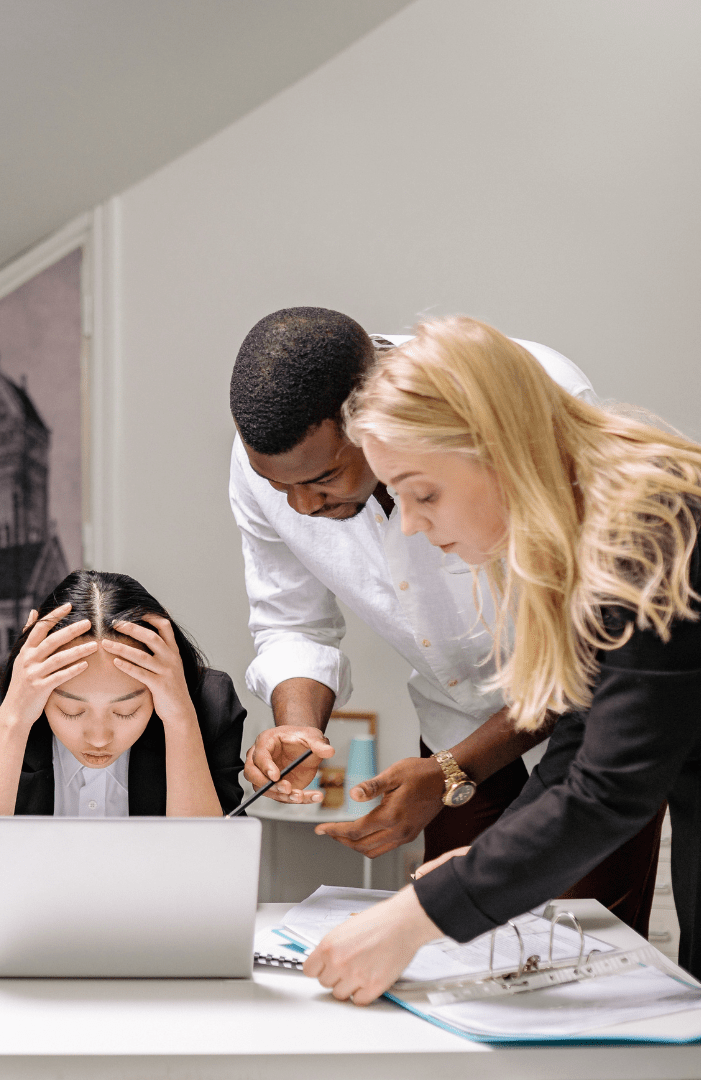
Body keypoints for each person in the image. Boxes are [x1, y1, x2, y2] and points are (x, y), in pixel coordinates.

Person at [229, 307, 665, 935]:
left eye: (323, 478)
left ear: (374, 419)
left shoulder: (527, 402)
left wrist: (456, 769)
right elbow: (292, 621)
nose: (301, 506)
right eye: (279, 489)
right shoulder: (275, 458)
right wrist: (300, 731)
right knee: (452, 941)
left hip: (591, 711)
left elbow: (598, 653)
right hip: (453, 716)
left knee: (580, 944)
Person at [302, 315, 701, 1000]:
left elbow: (609, 790)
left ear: (499, 447)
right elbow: (579, 742)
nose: (415, 526)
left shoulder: (653, 529)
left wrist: (418, 916)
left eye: (424, 493)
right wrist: (476, 865)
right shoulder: (594, 526)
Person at [0, 569, 246, 912]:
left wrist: (180, 719)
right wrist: (13, 720)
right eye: (72, 711)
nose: (99, 738)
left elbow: (210, 890)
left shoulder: (205, 704)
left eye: (126, 711)